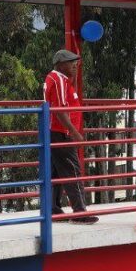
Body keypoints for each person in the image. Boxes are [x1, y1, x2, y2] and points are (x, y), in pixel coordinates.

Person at [44, 49, 98, 224]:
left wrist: (72, 76)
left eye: (75, 62)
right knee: (72, 170)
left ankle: (53, 209)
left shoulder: (59, 79)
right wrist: (75, 133)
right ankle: (79, 212)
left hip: (54, 132)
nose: (74, 65)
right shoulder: (59, 79)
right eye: (70, 62)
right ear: (60, 64)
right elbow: (59, 110)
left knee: (56, 172)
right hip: (62, 133)